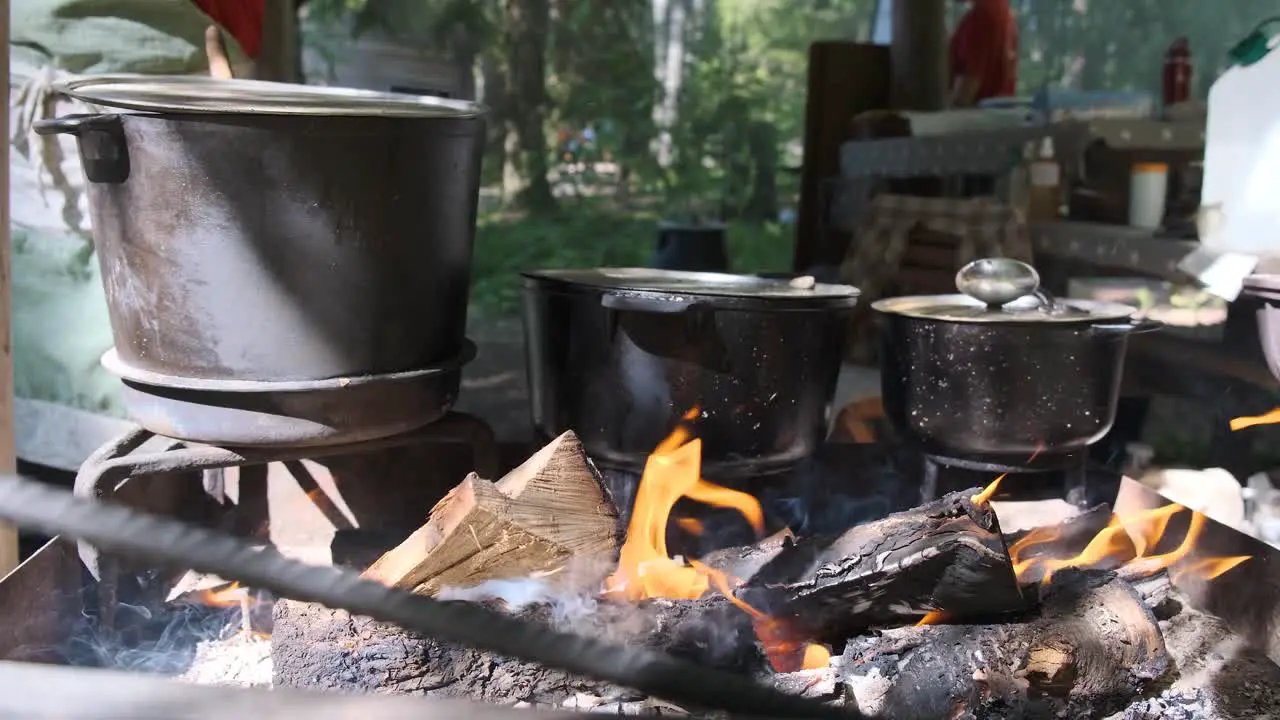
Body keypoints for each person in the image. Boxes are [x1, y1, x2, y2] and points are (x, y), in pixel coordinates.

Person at [948, 0, 1019, 108]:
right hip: (996, 118)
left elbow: (966, 93)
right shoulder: (1002, 10)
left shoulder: (983, 15)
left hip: (973, 119)